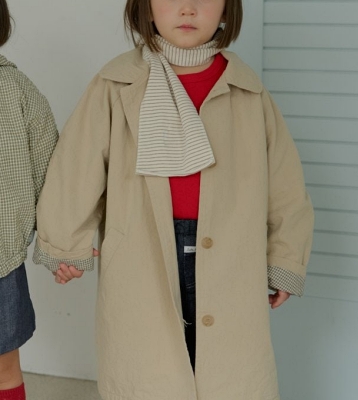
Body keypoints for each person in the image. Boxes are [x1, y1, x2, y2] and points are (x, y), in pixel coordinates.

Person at [33, 0, 314, 399]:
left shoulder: (248, 91)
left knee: (228, 371)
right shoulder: (116, 84)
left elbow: (285, 186)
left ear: (226, 9)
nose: (187, 8)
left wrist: (284, 259)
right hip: (142, 251)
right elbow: (78, 166)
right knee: (149, 367)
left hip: (232, 256)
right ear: (146, 9)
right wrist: (64, 244)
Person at [0, 1, 59, 399]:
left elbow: (52, 176)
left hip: (1, 260)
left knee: (4, 366)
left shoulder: (18, 90)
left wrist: (60, 245)